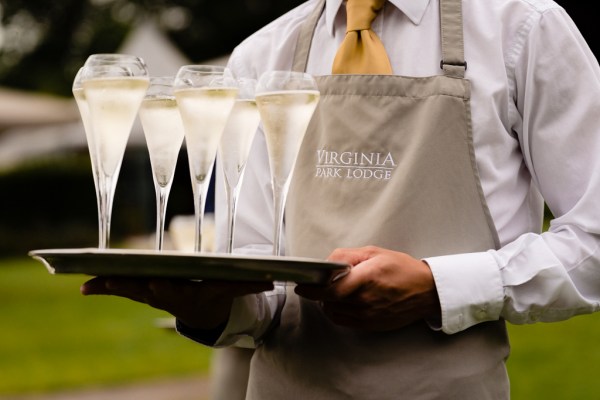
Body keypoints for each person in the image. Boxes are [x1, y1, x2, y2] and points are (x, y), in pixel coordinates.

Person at [82, 0, 600, 398]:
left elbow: (594, 240)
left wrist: (439, 287)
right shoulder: (263, 53)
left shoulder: (524, 28)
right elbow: (260, 284)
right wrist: (207, 309)